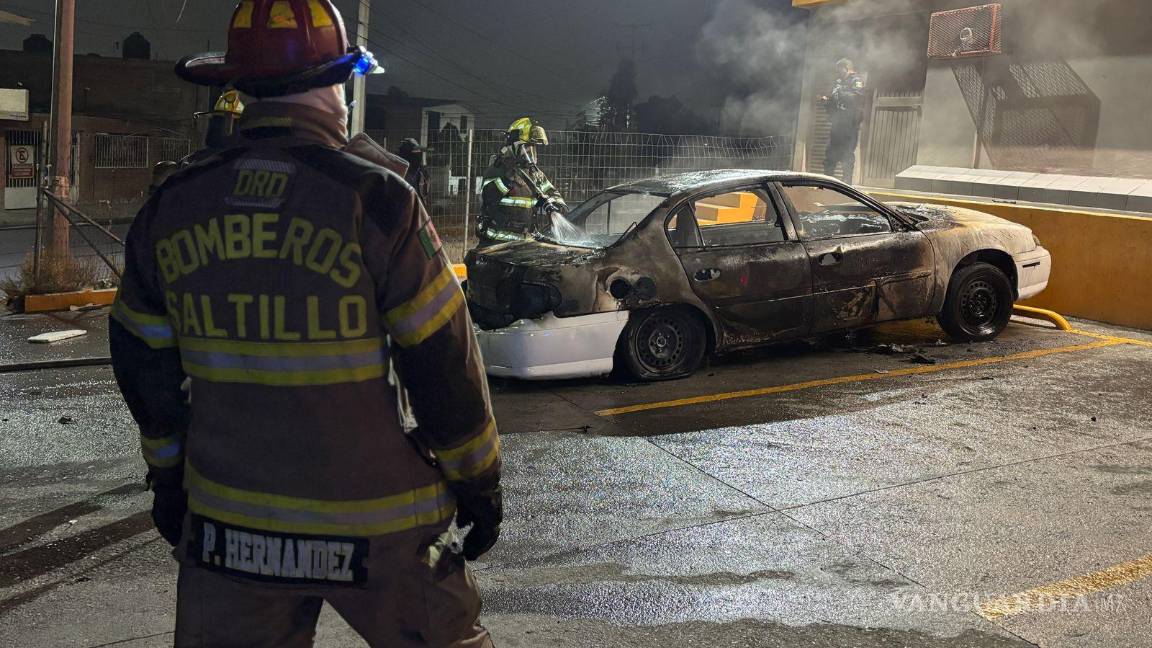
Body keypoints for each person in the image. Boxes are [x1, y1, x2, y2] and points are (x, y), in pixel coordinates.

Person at [109, 1, 502, 645]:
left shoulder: (173, 204)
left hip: (231, 532)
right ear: (340, 82)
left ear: (240, 86)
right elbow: (443, 364)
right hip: (380, 528)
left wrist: (169, 478)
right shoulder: (378, 200)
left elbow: (142, 366)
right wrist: (479, 483)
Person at [476, 117, 565, 247]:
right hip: (495, 243)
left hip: (524, 242)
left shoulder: (534, 174)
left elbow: (551, 192)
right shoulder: (497, 170)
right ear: (514, 146)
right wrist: (509, 177)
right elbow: (489, 198)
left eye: (532, 148)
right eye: (526, 147)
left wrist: (555, 205)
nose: (529, 153)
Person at [820, 58, 866, 184]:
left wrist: (841, 93)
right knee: (830, 153)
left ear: (846, 68)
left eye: (840, 69)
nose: (838, 72)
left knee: (847, 154)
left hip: (850, 125)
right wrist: (827, 101)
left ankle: (846, 183)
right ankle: (826, 182)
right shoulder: (838, 83)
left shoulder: (856, 81)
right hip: (837, 124)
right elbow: (833, 99)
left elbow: (857, 98)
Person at [397, 137, 431, 204]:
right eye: (415, 152)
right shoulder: (398, 175)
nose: (419, 154)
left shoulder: (421, 173)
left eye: (419, 152)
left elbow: (424, 196)